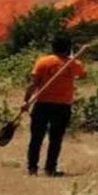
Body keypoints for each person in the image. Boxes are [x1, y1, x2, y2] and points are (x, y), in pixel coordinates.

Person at [22, 34, 86, 176]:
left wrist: (26, 101)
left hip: (42, 105)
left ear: (53, 47)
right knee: (55, 139)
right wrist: (72, 57)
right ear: (69, 48)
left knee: (36, 138)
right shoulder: (74, 64)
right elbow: (83, 74)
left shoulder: (43, 61)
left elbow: (33, 84)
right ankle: (50, 169)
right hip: (62, 106)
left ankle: (32, 169)